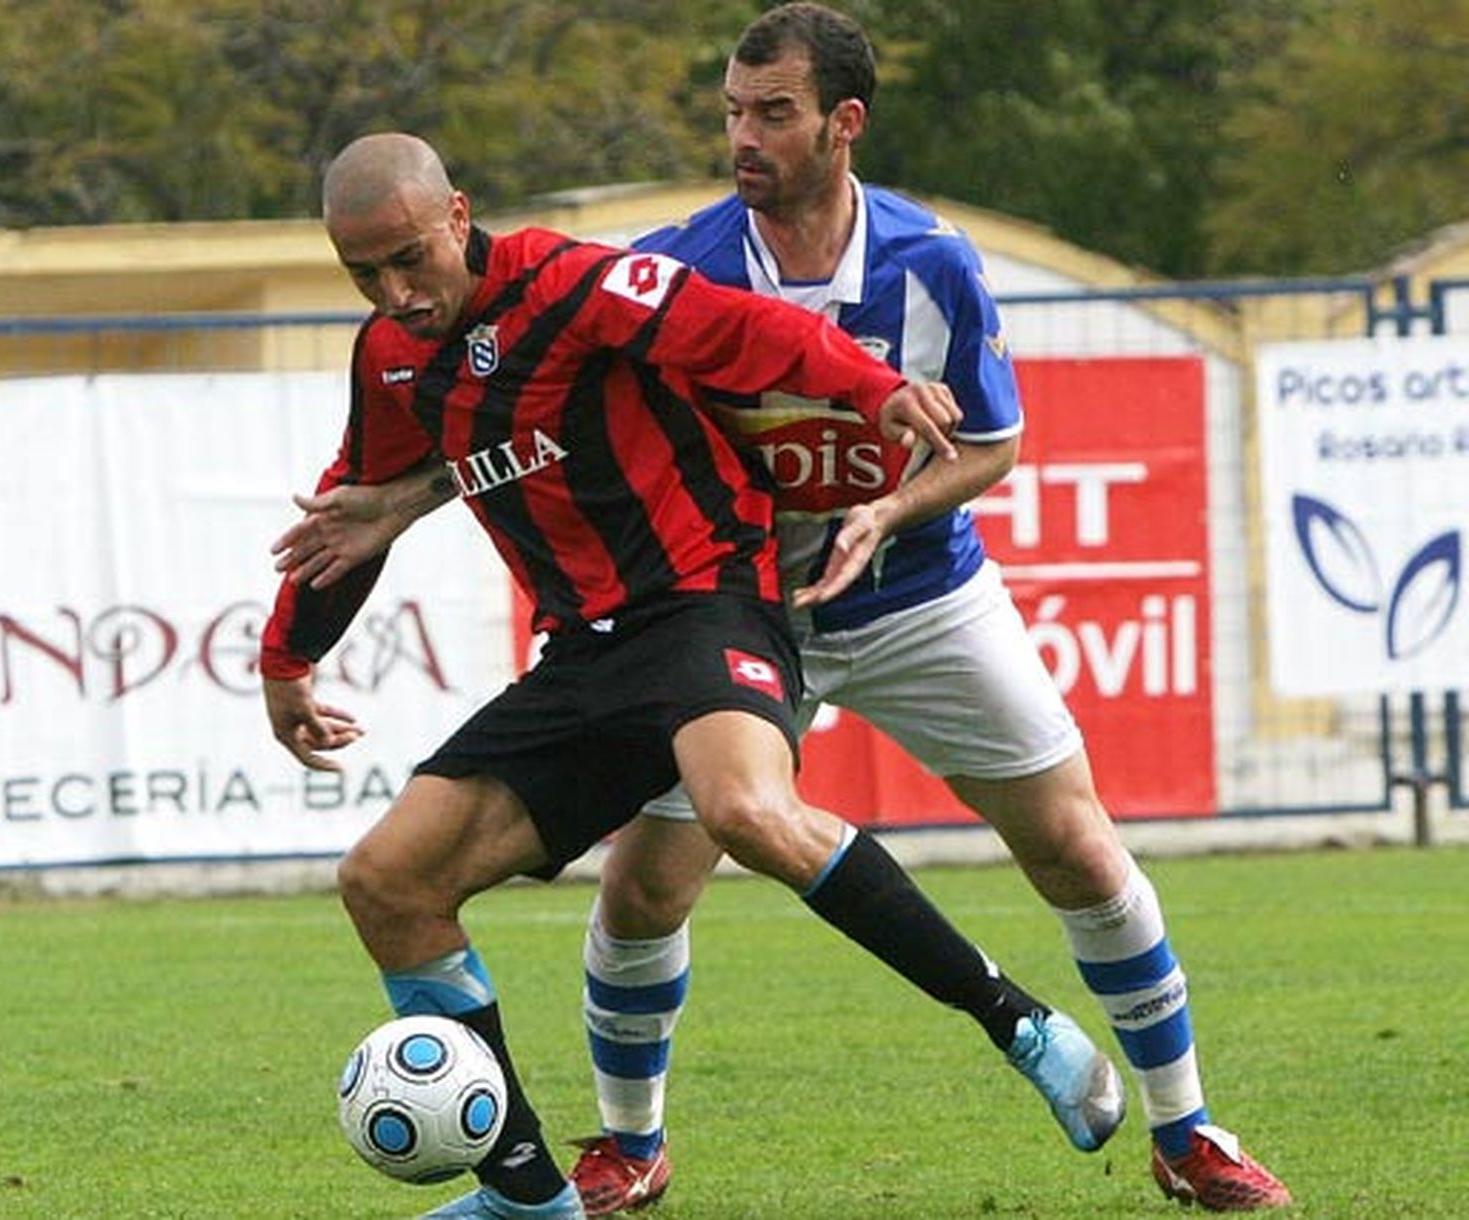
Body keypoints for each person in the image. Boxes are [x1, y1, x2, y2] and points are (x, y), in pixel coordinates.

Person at [276, 7, 1295, 1215]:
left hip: (903, 590)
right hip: (720, 606)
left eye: (771, 113)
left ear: (840, 123)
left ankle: (1182, 1127)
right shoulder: (667, 258)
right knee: (636, 887)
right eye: (730, 112)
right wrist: (362, 551)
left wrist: (894, 499)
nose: (742, 137)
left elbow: (991, 443)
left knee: (1069, 841)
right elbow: (524, 418)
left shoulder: (932, 262)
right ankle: (609, 1157)